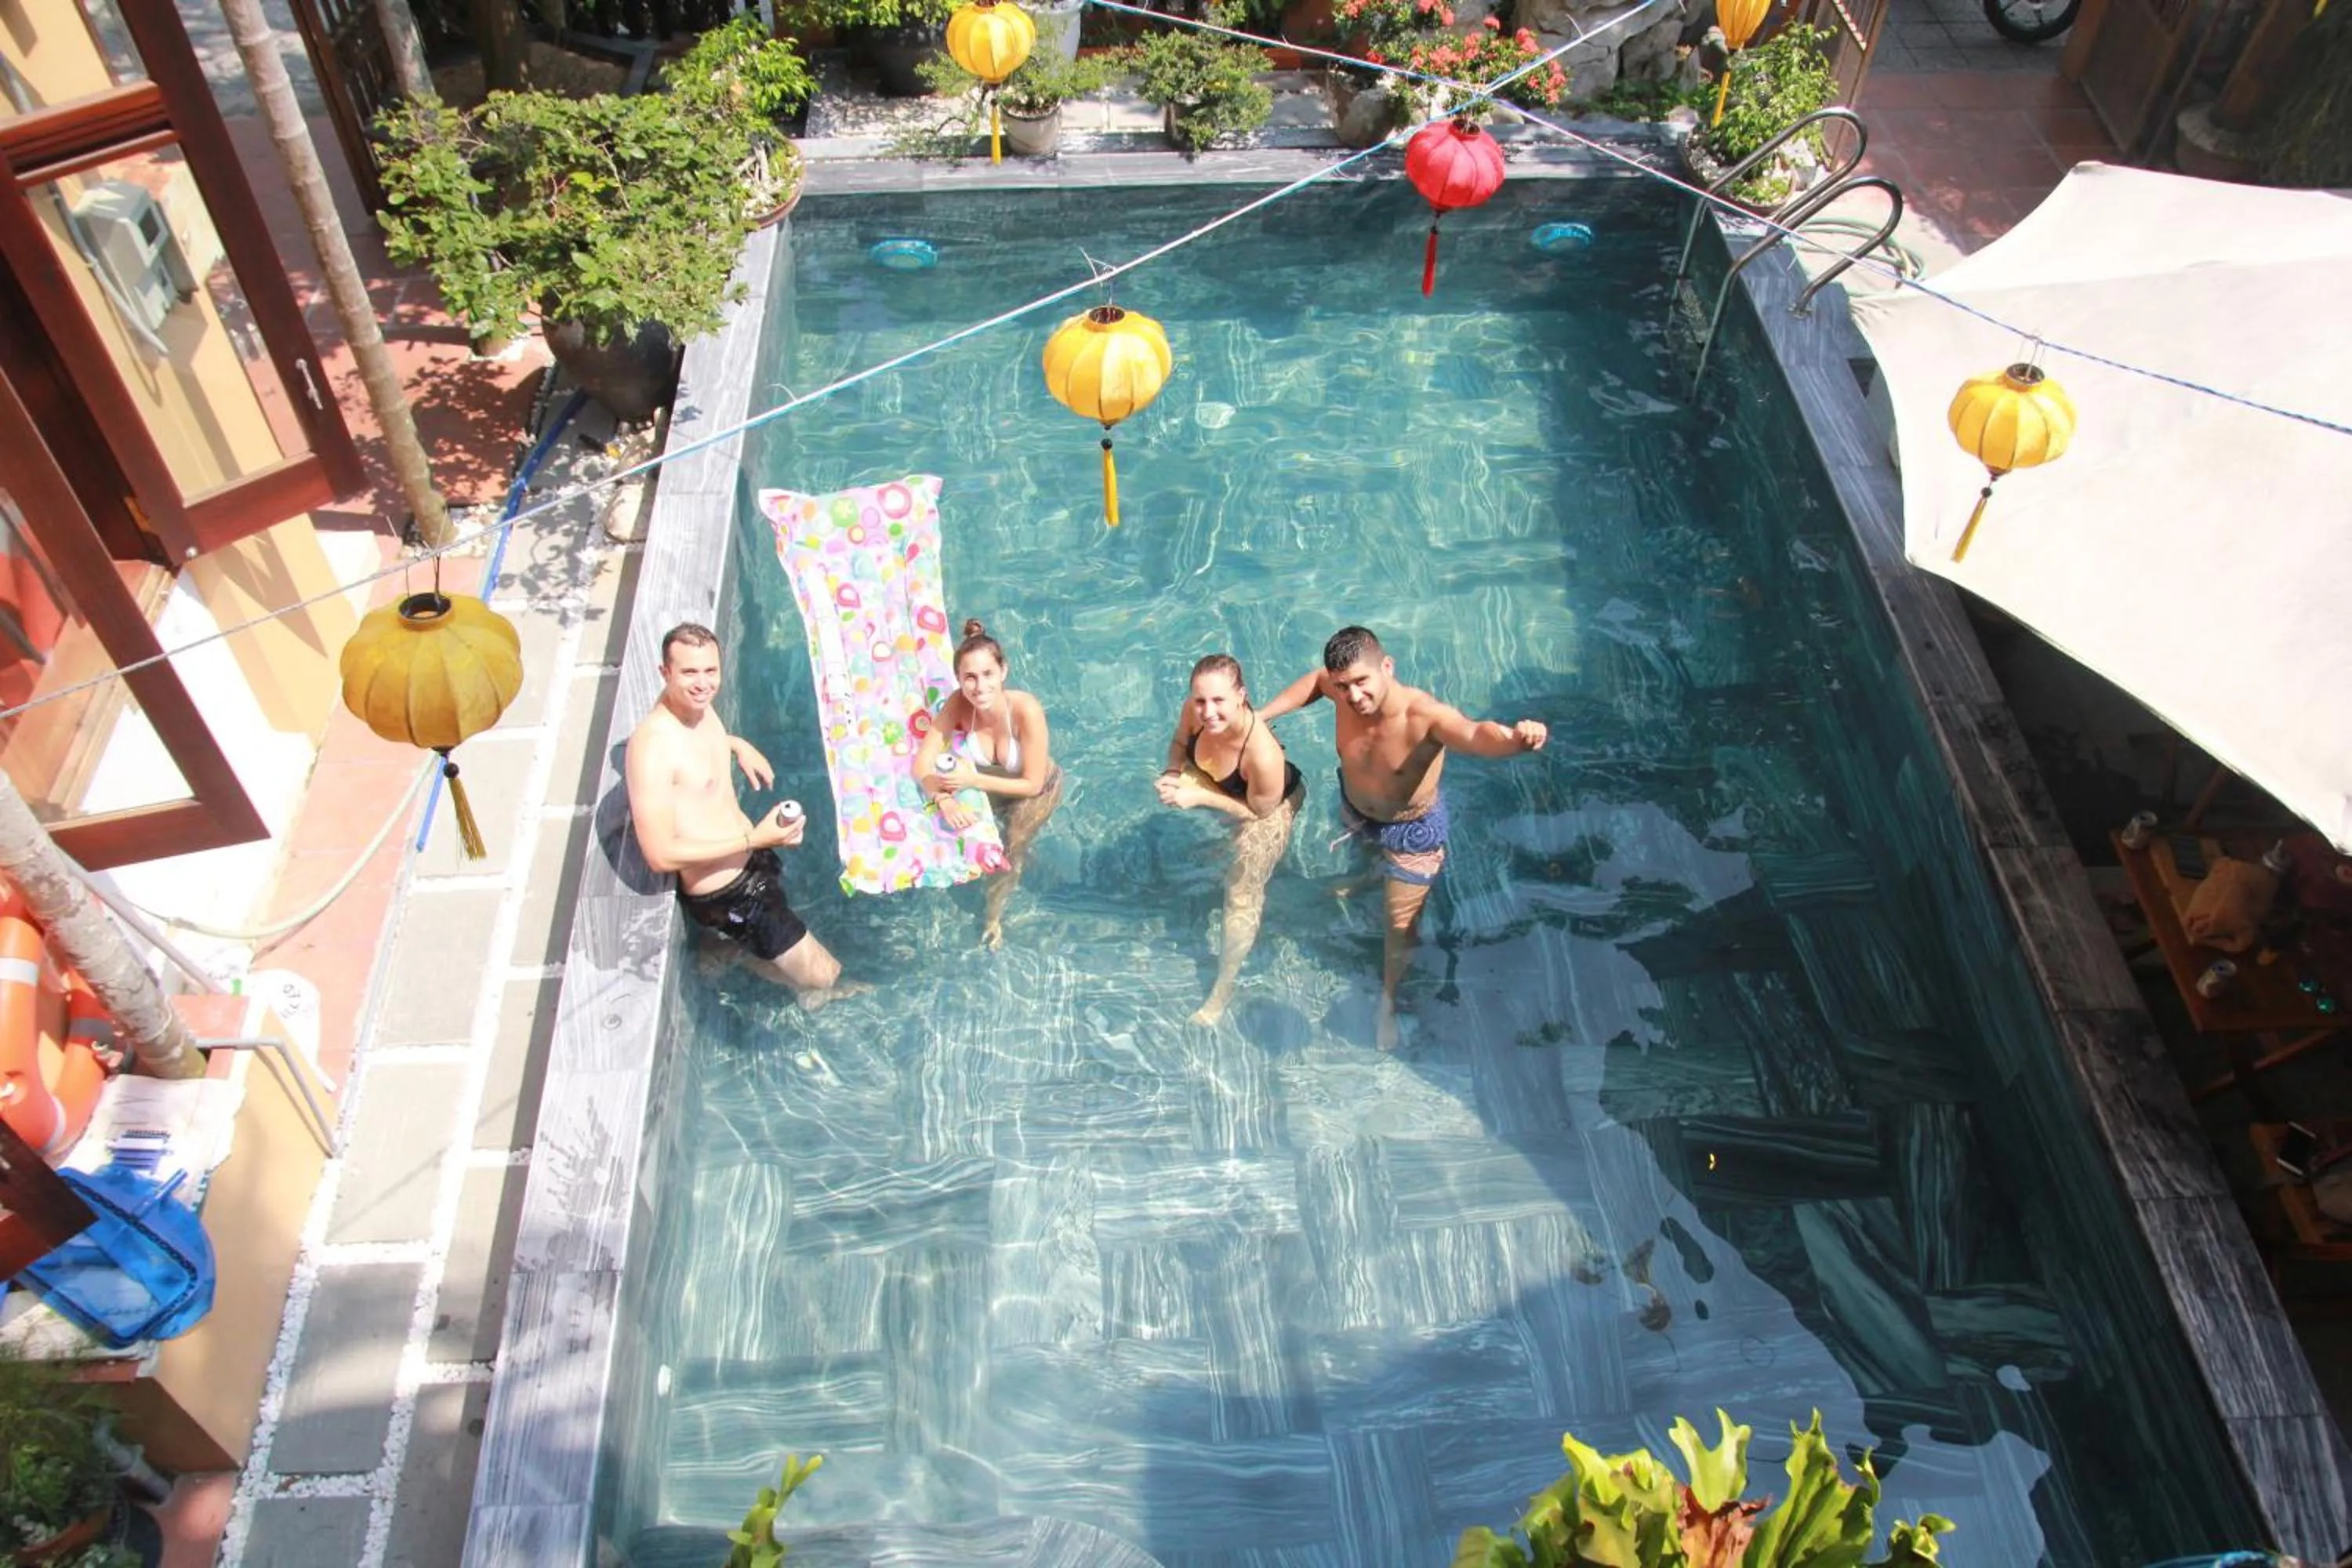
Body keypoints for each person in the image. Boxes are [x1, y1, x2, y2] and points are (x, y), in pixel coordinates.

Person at [1260, 625, 1547, 1051]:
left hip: (1413, 832)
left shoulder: (1423, 716)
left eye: (1362, 682)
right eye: (1344, 686)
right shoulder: (1337, 689)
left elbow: (1474, 734)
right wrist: (1262, 717)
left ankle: (1391, 1003)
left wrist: (1517, 741)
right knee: (1366, 856)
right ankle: (1370, 876)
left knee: (1399, 926)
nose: (1353, 696)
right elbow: (1314, 683)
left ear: (1387, 667)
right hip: (1358, 810)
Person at [625, 622, 849, 1003]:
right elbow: (659, 854)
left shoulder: (698, 708)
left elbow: (694, 756)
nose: (702, 683)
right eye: (689, 672)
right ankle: (733, 955)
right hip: (729, 895)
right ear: (665, 673)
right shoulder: (651, 748)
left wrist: (736, 744)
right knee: (824, 977)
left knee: (802, 914)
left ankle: (731, 948)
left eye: (710, 671)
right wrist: (753, 839)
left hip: (754, 856)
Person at [1156, 653, 1306, 1025]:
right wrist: (1173, 773)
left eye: (1219, 700)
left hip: (1271, 807)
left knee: (1240, 896)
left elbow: (1258, 812)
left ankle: (1222, 989)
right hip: (1234, 793)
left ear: (1242, 695)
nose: (1208, 711)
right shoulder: (1195, 713)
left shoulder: (1263, 752)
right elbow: (1178, 744)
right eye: (1201, 700)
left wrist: (1200, 797)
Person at [913, 619, 1064, 949]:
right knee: (951, 832)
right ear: (959, 680)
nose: (979, 687)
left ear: (1003, 671)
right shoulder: (958, 704)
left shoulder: (1026, 710)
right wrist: (944, 800)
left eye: (987, 675)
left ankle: (993, 917)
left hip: (1036, 792)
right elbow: (922, 762)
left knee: (1009, 849)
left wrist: (971, 780)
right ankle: (1027, 860)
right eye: (969, 677)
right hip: (989, 789)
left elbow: (1032, 784)